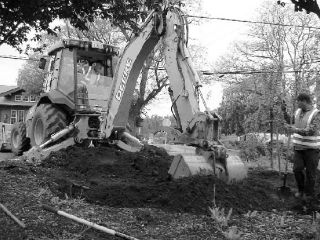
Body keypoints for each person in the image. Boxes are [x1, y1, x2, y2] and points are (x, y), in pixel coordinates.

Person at [285, 92, 320, 202]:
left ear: (304, 101)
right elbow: (290, 120)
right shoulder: (298, 111)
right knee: (296, 169)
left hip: (312, 150)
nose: (296, 103)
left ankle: (309, 196)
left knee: (311, 174)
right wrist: (284, 111)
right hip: (298, 148)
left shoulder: (316, 114)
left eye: (298, 101)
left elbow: (311, 131)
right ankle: (301, 191)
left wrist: (294, 130)